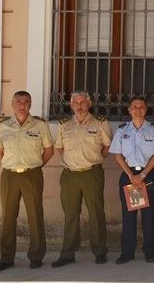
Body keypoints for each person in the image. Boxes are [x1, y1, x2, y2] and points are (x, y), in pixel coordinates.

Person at [0, 91, 53, 272]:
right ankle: (6, 257)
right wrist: (8, 165)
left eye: (26, 102)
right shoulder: (3, 126)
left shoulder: (40, 125)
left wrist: (35, 166)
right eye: (18, 101)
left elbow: (48, 151)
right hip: (9, 175)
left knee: (35, 215)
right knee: (8, 217)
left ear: (30, 104)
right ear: (12, 104)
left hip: (32, 174)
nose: (22, 105)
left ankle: (36, 256)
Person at [52, 91, 112, 268]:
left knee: (96, 213)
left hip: (91, 174)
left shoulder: (100, 123)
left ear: (89, 104)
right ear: (71, 105)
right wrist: (72, 162)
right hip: (70, 175)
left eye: (83, 102)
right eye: (76, 102)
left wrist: (92, 161)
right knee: (70, 214)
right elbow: (60, 148)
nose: (79, 105)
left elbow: (107, 146)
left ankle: (100, 250)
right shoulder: (64, 125)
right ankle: (68, 253)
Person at [109, 97, 154, 264]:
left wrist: (141, 176)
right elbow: (118, 156)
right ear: (129, 110)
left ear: (146, 109)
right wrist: (131, 176)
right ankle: (128, 252)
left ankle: (149, 251)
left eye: (141, 106)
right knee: (129, 216)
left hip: (147, 176)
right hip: (129, 175)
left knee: (149, 216)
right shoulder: (122, 131)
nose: (138, 109)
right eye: (134, 107)